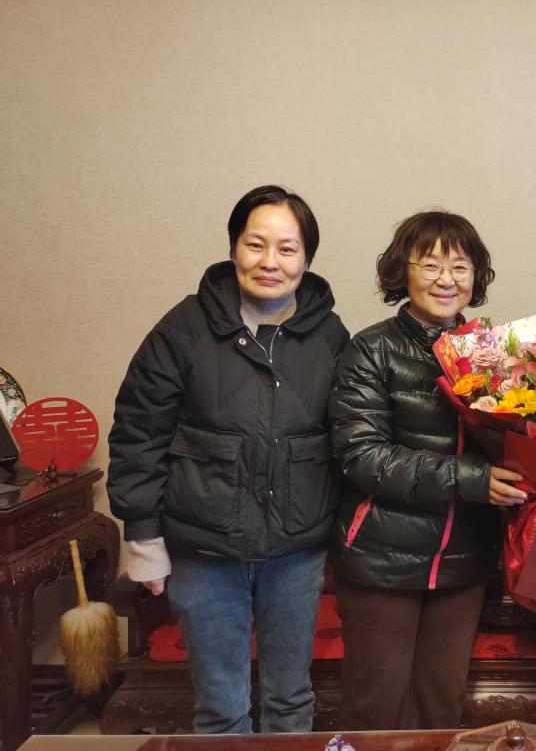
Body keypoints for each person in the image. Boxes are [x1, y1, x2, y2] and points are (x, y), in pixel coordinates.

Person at [108, 185, 349, 733]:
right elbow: (138, 432)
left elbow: (348, 438)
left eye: (287, 248)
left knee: (291, 701)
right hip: (204, 549)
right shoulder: (183, 328)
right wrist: (143, 537)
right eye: (255, 244)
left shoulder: (330, 335)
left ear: (307, 258)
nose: (270, 262)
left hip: (296, 550)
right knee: (220, 708)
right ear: (233, 248)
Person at [330, 211, 527, 730]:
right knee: (374, 709)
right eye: (431, 264)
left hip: (463, 559)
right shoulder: (370, 349)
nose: (447, 279)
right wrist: (473, 479)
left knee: (441, 708)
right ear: (404, 270)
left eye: (460, 266)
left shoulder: (495, 354)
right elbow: (362, 456)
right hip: (382, 558)